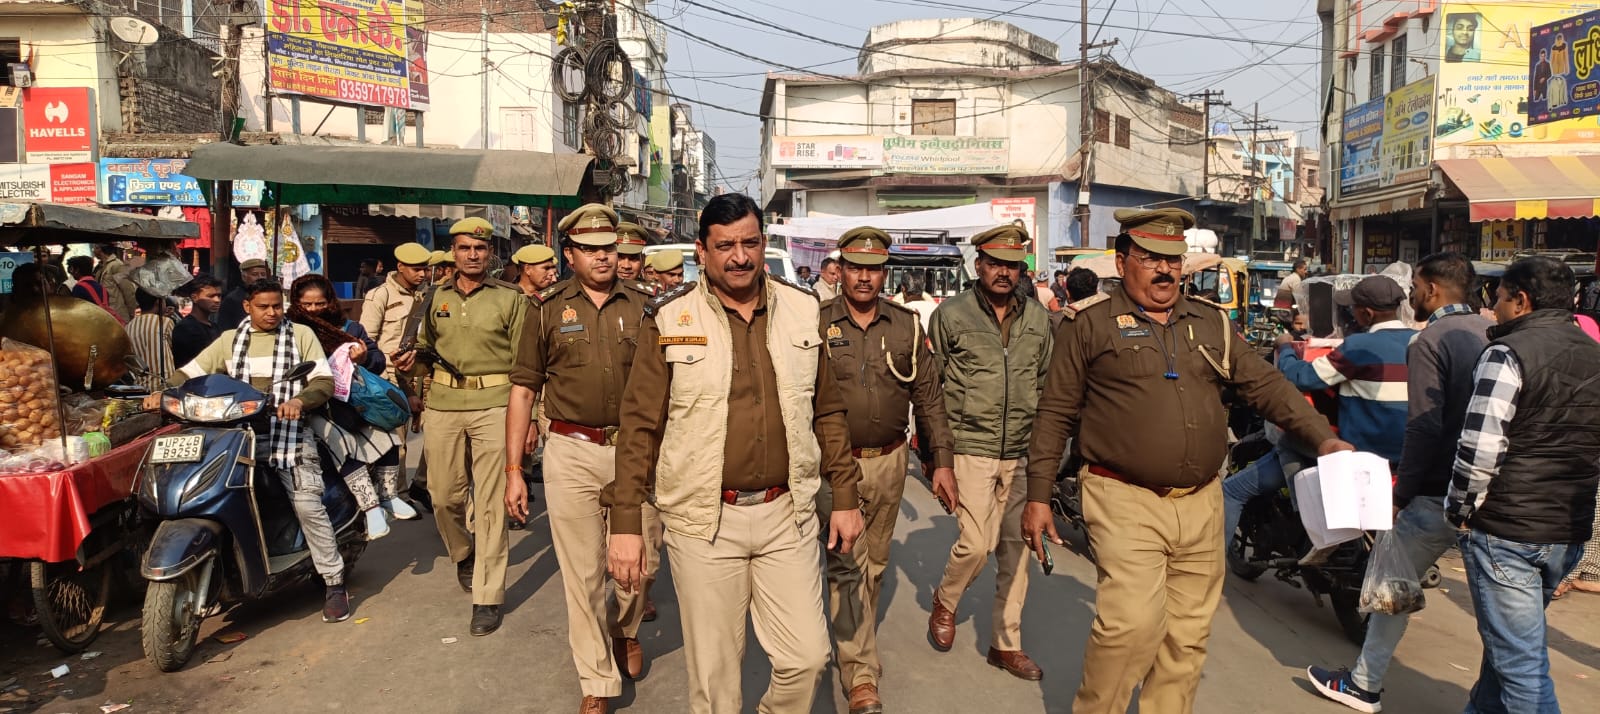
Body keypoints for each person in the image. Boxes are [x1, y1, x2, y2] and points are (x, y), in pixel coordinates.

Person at [1023, 208, 1350, 714]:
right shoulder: (1089, 325)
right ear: (1122, 261)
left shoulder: (1211, 321)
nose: (1164, 270)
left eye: (1173, 260)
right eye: (1151, 258)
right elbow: (1055, 412)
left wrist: (1322, 439)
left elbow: (1265, 386)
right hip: (1122, 497)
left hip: (1201, 501)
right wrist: (1039, 495)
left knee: (1186, 637)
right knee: (1129, 626)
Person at [607, 193, 864, 714]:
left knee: (808, 658)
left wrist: (845, 496)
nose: (740, 257)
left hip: (786, 514)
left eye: (749, 243)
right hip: (703, 521)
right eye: (725, 246)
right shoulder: (670, 318)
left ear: (763, 243)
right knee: (717, 680)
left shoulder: (802, 310)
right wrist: (626, 523)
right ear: (702, 251)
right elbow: (640, 427)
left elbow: (828, 411)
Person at [1306, 253, 1493, 712]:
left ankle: (1364, 683)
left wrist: (1401, 494)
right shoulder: (1492, 334)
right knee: (1497, 613)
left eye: (1417, 287)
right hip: (1490, 492)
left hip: (1436, 490)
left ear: (1431, 289)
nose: (1413, 296)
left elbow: (1423, 424)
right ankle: (1493, 700)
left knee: (1393, 585)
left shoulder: (1430, 340)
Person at [504, 204, 660, 714]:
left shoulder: (647, 306)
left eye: (608, 248)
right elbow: (523, 390)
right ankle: (596, 678)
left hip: (637, 452)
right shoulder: (546, 309)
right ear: (569, 255)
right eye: (590, 249)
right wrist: (513, 471)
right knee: (584, 573)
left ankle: (625, 629)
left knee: (639, 566)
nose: (602, 257)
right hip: (571, 450)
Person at [1447, 256, 1600, 713]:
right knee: (1510, 651)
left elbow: (1480, 446)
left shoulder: (1506, 353)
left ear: (1521, 300)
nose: (1493, 307)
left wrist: (1459, 510)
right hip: (1566, 530)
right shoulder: (1594, 353)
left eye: (1499, 298)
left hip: (1509, 530)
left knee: (1522, 668)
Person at [154, 279, 352, 622]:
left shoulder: (301, 335)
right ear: (247, 306)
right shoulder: (230, 340)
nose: (272, 313)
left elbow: (323, 380)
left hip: (288, 433)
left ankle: (334, 582)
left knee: (306, 504)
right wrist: (163, 392)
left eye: (277, 306)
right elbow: (190, 373)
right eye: (263, 307)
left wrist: (298, 401)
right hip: (234, 437)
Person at [818, 227, 957, 714]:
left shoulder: (906, 326)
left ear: (885, 274)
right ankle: (859, 671)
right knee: (846, 563)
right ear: (840, 270)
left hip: (891, 461)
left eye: (873, 269)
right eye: (855, 267)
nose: (864, 277)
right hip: (836, 464)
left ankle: (858, 644)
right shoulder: (816, 323)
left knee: (874, 564)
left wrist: (941, 461)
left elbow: (930, 397)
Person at [925, 225, 1053, 679]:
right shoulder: (951, 315)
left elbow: (1046, 384)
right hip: (970, 447)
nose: (1003, 272)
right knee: (977, 543)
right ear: (978, 264)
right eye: (995, 263)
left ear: (1021, 270)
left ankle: (1006, 643)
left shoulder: (1038, 319)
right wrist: (936, 455)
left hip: (1020, 450)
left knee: (1017, 549)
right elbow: (932, 389)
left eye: (1012, 265)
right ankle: (946, 600)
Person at [394, 218, 527, 637]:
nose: (473, 255)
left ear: (491, 253)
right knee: (443, 496)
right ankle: (464, 552)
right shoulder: (433, 297)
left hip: (496, 404)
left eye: (480, 248)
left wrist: (531, 420)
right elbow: (421, 350)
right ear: (453, 252)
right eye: (465, 248)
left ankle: (487, 596)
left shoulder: (511, 298)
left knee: (490, 503)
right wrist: (409, 364)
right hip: (444, 403)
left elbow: (525, 365)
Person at [1223, 276, 1415, 542]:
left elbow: (1299, 377)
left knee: (1287, 441)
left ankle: (1307, 517)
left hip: (1361, 450)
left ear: (1366, 313)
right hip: (1408, 453)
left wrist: (1285, 347)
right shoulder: (1419, 341)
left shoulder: (1359, 346)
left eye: (1353, 308)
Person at [288, 273, 414, 541]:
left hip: (355, 402)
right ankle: (371, 508)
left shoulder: (349, 328)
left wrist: (364, 357)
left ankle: (388, 495)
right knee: (341, 443)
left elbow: (377, 361)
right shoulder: (291, 332)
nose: (313, 310)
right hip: (314, 407)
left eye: (319, 303)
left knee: (388, 433)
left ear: (330, 302)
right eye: (307, 304)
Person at [360, 243, 433, 506]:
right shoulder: (380, 295)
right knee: (397, 441)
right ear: (400, 267)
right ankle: (397, 494)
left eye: (425, 269)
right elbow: (366, 341)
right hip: (390, 376)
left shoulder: (430, 295)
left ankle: (422, 484)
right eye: (416, 269)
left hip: (426, 373)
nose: (422, 274)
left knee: (436, 437)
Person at [126, 288, 176, 392]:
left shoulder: (129, 326)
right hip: (164, 385)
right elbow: (175, 349)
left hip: (141, 387)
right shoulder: (165, 322)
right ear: (158, 302)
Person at [172, 275, 224, 367]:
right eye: (211, 296)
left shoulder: (215, 327)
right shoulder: (185, 329)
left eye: (219, 296)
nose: (217, 300)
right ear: (195, 297)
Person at [219, 258, 272, 330]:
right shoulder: (233, 299)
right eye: (255, 274)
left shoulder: (269, 296)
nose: (260, 278)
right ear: (244, 277)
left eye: (263, 274)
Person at [92, 243, 139, 322]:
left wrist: (131, 312)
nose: (93, 251)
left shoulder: (116, 265)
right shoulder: (100, 267)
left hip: (118, 314)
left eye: (94, 248)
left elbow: (128, 290)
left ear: (99, 249)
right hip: (106, 313)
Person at [67, 256, 119, 321]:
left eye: (71, 269)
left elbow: (77, 313)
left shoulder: (79, 288)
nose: (71, 273)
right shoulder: (101, 288)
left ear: (77, 270)